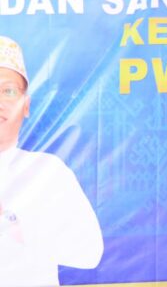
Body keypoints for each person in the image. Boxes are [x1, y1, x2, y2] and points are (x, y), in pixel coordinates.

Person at [0, 36, 104, 286]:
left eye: (8, 91)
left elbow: (90, 253)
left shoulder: (48, 173)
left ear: (26, 106)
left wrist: (17, 225)